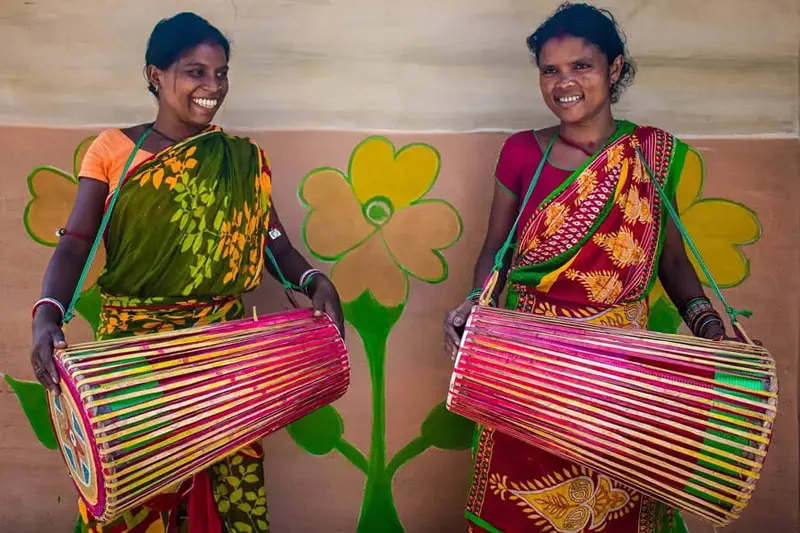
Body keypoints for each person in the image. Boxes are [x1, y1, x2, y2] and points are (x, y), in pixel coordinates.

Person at [28, 12, 344, 533]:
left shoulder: (243, 158)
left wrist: (312, 280)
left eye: (220, 74)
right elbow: (77, 241)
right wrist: (47, 313)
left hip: (223, 352)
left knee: (228, 493)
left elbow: (272, 239)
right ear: (156, 74)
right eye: (194, 72)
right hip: (134, 354)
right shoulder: (112, 149)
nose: (211, 87)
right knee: (136, 492)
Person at [444, 3, 738, 532]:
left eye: (582, 66)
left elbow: (670, 258)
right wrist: (475, 305)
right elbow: (496, 251)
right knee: (524, 501)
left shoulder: (650, 153)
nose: (565, 83)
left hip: (625, 368)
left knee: (619, 507)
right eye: (550, 71)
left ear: (615, 69)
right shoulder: (519, 152)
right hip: (532, 360)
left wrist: (709, 325)